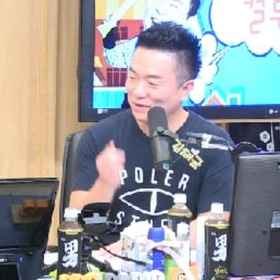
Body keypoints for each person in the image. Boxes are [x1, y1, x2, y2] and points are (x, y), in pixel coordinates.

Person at [70, 22, 234, 238]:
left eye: (153, 83)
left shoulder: (213, 144)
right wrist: (105, 185)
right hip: (108, 257)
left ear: (186, 89)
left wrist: (146, 244)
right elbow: (78, 228)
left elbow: (212, 225)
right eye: (132, 77)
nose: (138, 91)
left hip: (178, 257)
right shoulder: (99, 137)